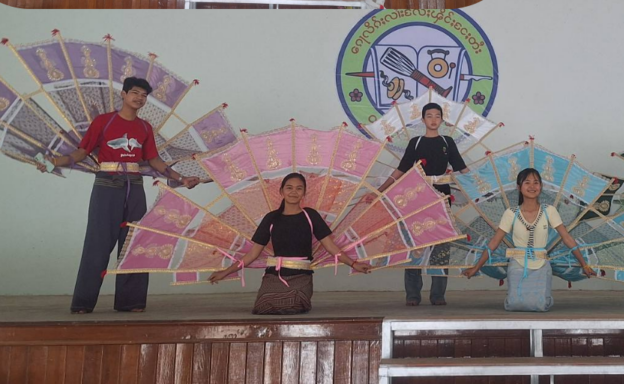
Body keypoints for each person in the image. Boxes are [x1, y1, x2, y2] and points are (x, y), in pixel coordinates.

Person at [45, 77, 200, 313]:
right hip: (107, 186)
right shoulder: (104, 121)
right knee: (97, 243)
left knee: (135, 243)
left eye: (144, 95)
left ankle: (131, 301)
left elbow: (154, 160)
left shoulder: (145, 127)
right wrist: (55, 161)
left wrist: (182, 179)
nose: (139, 98)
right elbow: (82, 152)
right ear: (124, 94)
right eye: (135, 93)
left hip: (135, 186)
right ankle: (83, 303)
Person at [208, 173, 370, 314]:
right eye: (289, 188)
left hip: (301, 276)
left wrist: (354, 264)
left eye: (299, 188)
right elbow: (252, 254)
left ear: (304, 193)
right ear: (281, 191)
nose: (294, 192)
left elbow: (331, 247)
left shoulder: (311, 216)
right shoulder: (271, 218)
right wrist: (225, 272)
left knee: (293, 304)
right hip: (274, 276)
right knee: (263, 306)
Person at [462, 168, 595, 312]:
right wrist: (476, 267)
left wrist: (584, 264)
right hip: (517, 265)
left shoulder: (549, 211)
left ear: (541, 186)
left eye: (536, 182)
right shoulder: (511, 213)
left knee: (541, 305)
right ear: (519, 187)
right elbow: (494, 242)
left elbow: (567, 238)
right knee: (514, 304)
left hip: (541, 264)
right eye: (527, 182)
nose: (532, 186)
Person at [379, 102, 469, 306]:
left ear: (442, 120)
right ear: (423, 120)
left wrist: (479, 186)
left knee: (442, 243)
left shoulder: (447, 142)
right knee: (415, 243)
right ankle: (412, 294)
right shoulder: (416, 142)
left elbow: (461, 168)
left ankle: (438, 294)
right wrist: (381, 189)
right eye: (429, 116)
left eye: (437, 116)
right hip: (418, 198)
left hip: (442, 198)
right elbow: (402, 168)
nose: (433, 119)